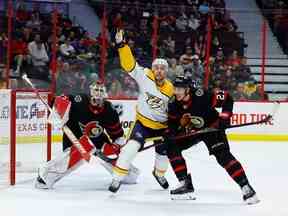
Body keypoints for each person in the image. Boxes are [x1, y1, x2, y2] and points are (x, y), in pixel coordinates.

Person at [165, 75, 259, 205]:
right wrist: (171, 134)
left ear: (188, 89)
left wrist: (224, 118)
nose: (177, 92)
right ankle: (184, 184)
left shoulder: (202, 95)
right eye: (175, 88)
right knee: (171, 146)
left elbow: (227, 98)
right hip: (195, 130)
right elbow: (172, 123)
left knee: (223, 156)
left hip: (213, 129)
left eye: (180, 89)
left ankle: (246, 188)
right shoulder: (173, 103)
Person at [35, 81, 139, 189]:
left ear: (105, 94)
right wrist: (58, 109)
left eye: (101, 90)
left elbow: (117, 136)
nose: (98, 93)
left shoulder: (109, 110)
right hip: (74, 140)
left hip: (98, 142)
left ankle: (127, 175)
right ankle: (44, 176)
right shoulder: (79, 100)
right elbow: (60, 99)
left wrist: (117, 147)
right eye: (96, 90)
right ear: (90, 91)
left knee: (129, 176)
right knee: (84, 147)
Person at [108, 29, 174, 193]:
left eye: (162, 68)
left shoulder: (171, 89)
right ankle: (117, 178)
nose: (159, 70)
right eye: (156, 67)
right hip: (143, 124)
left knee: (163, 157)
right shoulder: (145, 76)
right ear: (152, 69)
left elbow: (177, 111)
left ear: (166, 71)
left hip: (162, 127)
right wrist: (122, 46)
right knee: (130, 149)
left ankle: (159, 174)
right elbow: (129, 65)